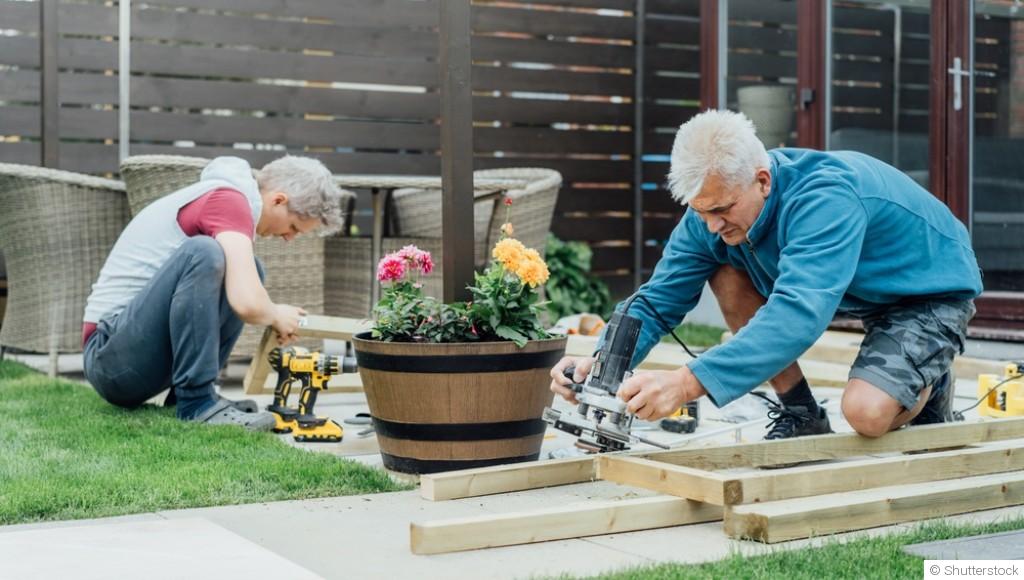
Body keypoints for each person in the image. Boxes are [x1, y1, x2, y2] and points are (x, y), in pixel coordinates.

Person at [550, 109, 982, 440]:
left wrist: (685, 384)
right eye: (701, 211)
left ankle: (931, 378)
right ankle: (801, 413)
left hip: (927, 294)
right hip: (862, 290)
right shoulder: (712, 212)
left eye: (722, 209)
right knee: (725, 269)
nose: (712, 225)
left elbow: (796, 317)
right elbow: (657, 298)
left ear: (763, 181)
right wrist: (602, 364)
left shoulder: (825, 200)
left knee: (866, 414)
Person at [83, 155, 347, 430]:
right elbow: (247, 303)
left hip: (131, 358)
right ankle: (197, 402)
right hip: (109, 361)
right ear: (278, 200)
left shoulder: (232, 200)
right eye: (293, 227)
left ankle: (191, 396)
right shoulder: (228, 201)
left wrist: (272, 312)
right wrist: (276, 314)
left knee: (249, 269)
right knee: (204, 253)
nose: (289, 238)